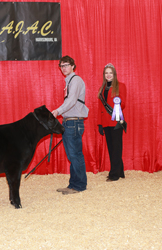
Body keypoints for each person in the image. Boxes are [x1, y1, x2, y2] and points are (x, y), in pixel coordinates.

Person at [52, 56, 89, 194]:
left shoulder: (76, 80)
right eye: (61, 66)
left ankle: (79, 185)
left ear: (73, 66)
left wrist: (57, 111)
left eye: (66, 65)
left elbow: (72, 101)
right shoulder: (69, 82)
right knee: (72, 155)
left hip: (74, 122)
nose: (64, 68)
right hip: (69, 121)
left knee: (75, 155)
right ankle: (73, 184)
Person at [97, 63, 127, 182]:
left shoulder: (121, 86)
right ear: (104, 75)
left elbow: (123, 103)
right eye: (106, 73)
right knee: (111, 148)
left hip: (116, 121)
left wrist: (118, 103)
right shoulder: (102, 88)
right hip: (105, 122)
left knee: (116, 148)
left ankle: (114, 174)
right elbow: (100, 108)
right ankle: (120, 171)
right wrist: (99, 123)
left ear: (114, 74)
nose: (108, 75)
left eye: (110, 73)